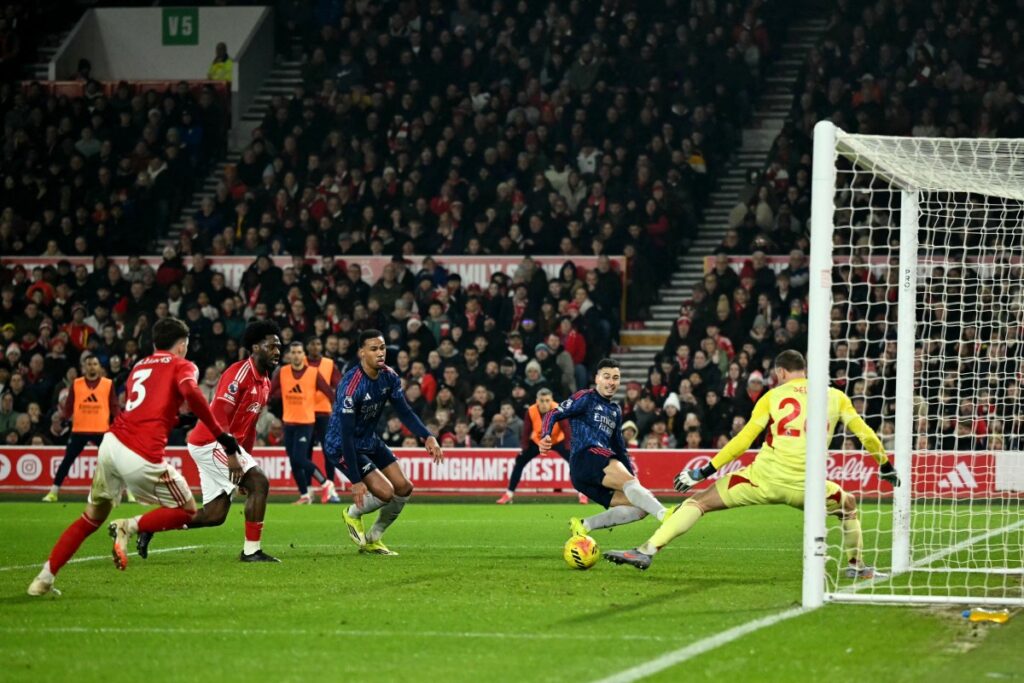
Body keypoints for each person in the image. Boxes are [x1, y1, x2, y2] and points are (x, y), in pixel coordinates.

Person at [604, 350, 900, 573]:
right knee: (848, 507)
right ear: (804, 371)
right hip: (807, 487)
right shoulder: (835, 396)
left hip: (760, 479)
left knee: (698, 503)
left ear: (781, 372)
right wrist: (885, 465)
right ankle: (856, 565)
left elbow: (743, 440)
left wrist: (705, 470)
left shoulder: (772, 396)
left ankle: (647, 550)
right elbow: (867, 435)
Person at [28, 318, 240, 597]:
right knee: (187, 510)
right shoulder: (183, 365)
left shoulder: (139, 366)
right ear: (182, 345)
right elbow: (191, 392)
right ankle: (128, 527)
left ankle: (43, 579)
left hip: (111, 444)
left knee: (90, 518)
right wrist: (222, 436)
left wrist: (175, 418)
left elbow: (144, 408)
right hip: (141, 453)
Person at [135, 321, 283, 562]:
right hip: (209, 441)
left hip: (221, 444)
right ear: (255, 347)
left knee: (214, 515)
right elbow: (220, 417)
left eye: (279, 346)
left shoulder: (265, 382)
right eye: (272, 346)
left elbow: (250, 428)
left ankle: (150, 524)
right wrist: (236, 457)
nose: (277, 351)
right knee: (260, 482)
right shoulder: (239, 374)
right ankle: (251, 552)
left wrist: (246, 459)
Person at [326, 329, 444, 555]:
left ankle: (374, 538)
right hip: (342, 444)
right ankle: (352, 513)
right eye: (374, 349)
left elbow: (405, 412)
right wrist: (355, 479)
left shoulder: (389, 377)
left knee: (404, 487)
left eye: (382, 348)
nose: (380, 353)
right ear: (362, 353)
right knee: (386, 493)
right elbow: (347, 434)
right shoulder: (351, 386)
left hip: (369, 439)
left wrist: (427, 435)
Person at [539, 359, 670, 540]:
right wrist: (546, 434)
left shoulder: (615, 411)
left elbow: (620, 449)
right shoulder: (586, 397)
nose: (611, 382)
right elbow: (552, 413)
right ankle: (666, 516)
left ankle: (584, 525)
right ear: (597, 379)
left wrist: (633, 479)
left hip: (584, 478)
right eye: (607, 377)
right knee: (643, 495)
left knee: (642, 506)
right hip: (586, 456)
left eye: (616, 378)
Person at [42, 354, 120, 502]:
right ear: (84, 367)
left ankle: (126, 491)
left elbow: (114, 405)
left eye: (95, 364)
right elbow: (69, 406)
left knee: (113, 462)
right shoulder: (76, 384)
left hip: (101, 429)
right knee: (67, 461)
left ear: (99, 367)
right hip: (79, 429)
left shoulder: (108, 384)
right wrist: (63, 418)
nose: (92, 366)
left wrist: (120, 420)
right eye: (89, 364)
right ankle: (53, 492)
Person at [496, 388, 587, 505]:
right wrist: (524, 448)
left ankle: (582, 493)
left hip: (557, 440)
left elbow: (566, 429)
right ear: (537, 401)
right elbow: (526, 432)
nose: (544, 404)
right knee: (520, 461)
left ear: (551, 400)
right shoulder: (531, 411)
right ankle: (509, 494)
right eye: (542, 401)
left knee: (574, 462)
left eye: (547, 400)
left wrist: (570, 447)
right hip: (539, 441)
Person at [270, 342, 335, 504]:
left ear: (303, 354)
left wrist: (340, 410)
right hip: (288, 423)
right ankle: (305, 495)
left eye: (299, 352)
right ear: (289, 355)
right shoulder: (283, 372)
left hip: (305, 423)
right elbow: (270, 391)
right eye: (294, 352)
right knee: (293, 460)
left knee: (299, 457)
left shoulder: (313, 373)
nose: (297, 355)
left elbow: (328, 391)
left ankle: (325, 483)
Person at [306, 336, 341, 503]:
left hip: (324, 413)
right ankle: (307, 491)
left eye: (318, 343)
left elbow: (339, 384)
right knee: (306, 453)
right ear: (307, 346)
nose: (315, 346)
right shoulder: (300, 363)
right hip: (304, 413)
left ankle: (331, 488)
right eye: (312, 343)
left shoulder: (329, 364)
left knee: (329, 452)